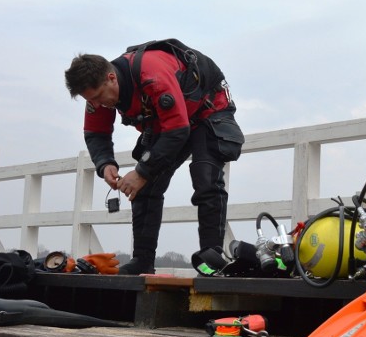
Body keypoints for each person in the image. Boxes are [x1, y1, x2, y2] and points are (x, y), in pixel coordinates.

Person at [64, 44, 244, 274]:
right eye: (91, 100)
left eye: (99, 97)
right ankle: (142, 261)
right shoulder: (97, 93)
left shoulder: (152, 73)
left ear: (111, 78)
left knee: (205, 179)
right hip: (167, 121)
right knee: (145, 188)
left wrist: (141, 172)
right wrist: (105, 163)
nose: (98, 105)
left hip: (206, 110)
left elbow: (178, 130)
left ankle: (211, 259)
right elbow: (96, 133)